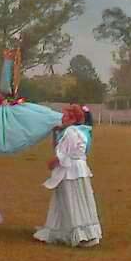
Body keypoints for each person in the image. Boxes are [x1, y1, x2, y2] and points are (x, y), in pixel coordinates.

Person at [34, 104, 102, 248]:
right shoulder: (80, 131)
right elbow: (60, 147)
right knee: (65, 200)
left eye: (65, 115)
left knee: (73, 200)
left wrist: (53, 162)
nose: (62, 118)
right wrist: (56, 133)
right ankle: (61, 230)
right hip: (76, 168)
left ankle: (82, 234)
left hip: (71, 169)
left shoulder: (71, 132)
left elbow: (64, 153)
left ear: (72, 119)